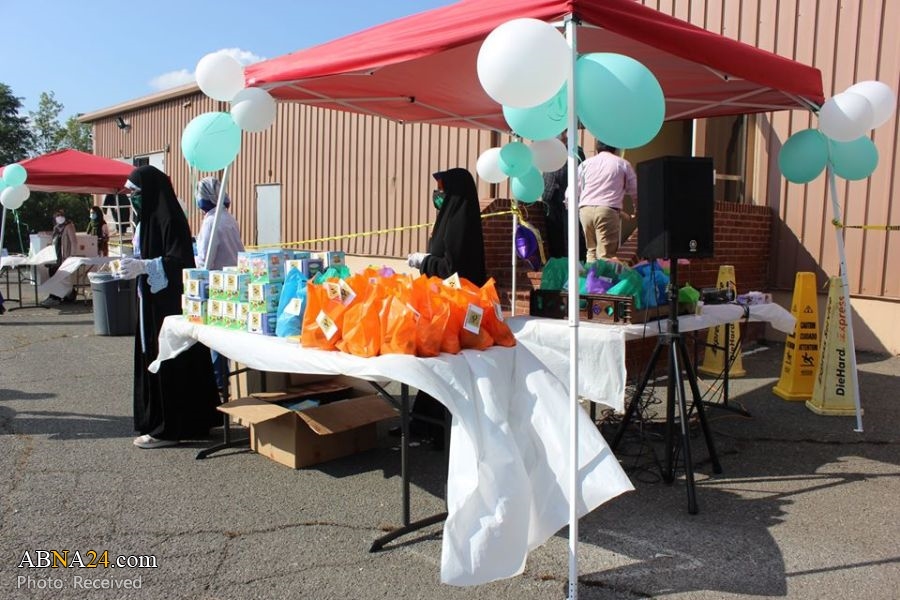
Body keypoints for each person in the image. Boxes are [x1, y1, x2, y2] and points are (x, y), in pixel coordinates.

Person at [117, 165, 220, 449]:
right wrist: (133, 266)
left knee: (170, 358)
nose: (132, 198)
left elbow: (180, 262)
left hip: (168, 304)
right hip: (151, 301)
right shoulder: (145, 221)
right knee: (158, 357)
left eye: (135, 192)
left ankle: (168, 428)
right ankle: (174, 421)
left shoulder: (170, 219)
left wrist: (145, 266)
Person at [407, 168, 487, 450]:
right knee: (435, 365)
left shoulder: (461, 223)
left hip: (459, 310)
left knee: (446, 366)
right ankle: (423, 423)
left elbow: (453, 269)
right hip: (443, 306)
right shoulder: (449, 217)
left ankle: (440, 429)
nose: (438, 195)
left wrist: (424, 262)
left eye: (442, 190)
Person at [194, 176, 245, 389]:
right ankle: (222, 380)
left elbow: (205, 259)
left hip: (218, 285)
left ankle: (219, 383)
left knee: (216, 338)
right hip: (236, 280)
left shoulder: (211, 223)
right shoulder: (228, 218)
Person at [569, 140, 638, 262]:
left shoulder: (585, 164)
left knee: (591, 252)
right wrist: (637, 209)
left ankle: (590, 274)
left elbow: (572, 190)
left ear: (597, 149)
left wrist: (570, 207)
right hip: (607, 211)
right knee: (606, 255)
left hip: (585, 210)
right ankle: (602, 275)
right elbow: (635, 191)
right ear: (616, 149)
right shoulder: (622, 163)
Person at [541, 131, 587, 261]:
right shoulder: (550, 150)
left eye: (564, 133)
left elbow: (580, 173)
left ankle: (575, 261)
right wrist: (545, 196)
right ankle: (559, 262)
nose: (563, 136)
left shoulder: (576, 151)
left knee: (571, 232)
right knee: (554, 234)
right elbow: (548, 173)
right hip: (551, 198)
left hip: (569, 197)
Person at [42, 209, 78, 305]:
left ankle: (56, 297)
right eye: (57, 216)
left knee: (60, 277)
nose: (59, 218)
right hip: (56, 255)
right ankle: (55, 295)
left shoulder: (69, 226)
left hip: (64, 256)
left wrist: (72, 256)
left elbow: (74, 242)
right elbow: (54, 240)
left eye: (61, 215)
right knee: (53, 274)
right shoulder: (56, 228)